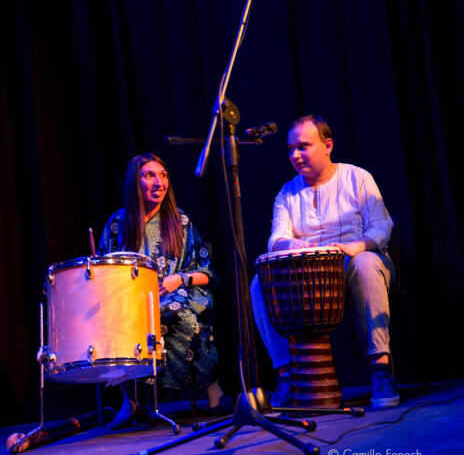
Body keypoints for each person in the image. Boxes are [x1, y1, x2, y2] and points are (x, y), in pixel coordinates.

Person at [250, 115, 400, 408]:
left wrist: (354, 248)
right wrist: (292, 243)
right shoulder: (287, 193)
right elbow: (276, 239)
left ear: (327, 145)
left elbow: (382, 228)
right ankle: (287, 379)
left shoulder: (358, 178)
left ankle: (381, 371)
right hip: (309, 275)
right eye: (291, 148)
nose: (295, 155)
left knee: (366, 264)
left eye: (303, 146)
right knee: (260, 283)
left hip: (355, 264)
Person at [99, 153, 232, 429]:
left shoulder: (180, 221)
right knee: (110, 320)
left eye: (163, 175)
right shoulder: (118, 224)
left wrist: (179, 279)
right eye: (150, 175)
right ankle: (132, 398)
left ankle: (211, 387)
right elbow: (102, 272)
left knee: (176, 312)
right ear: (134, 182)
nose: (159, 182)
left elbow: (206, 274)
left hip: (180, 292)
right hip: (131, 300)